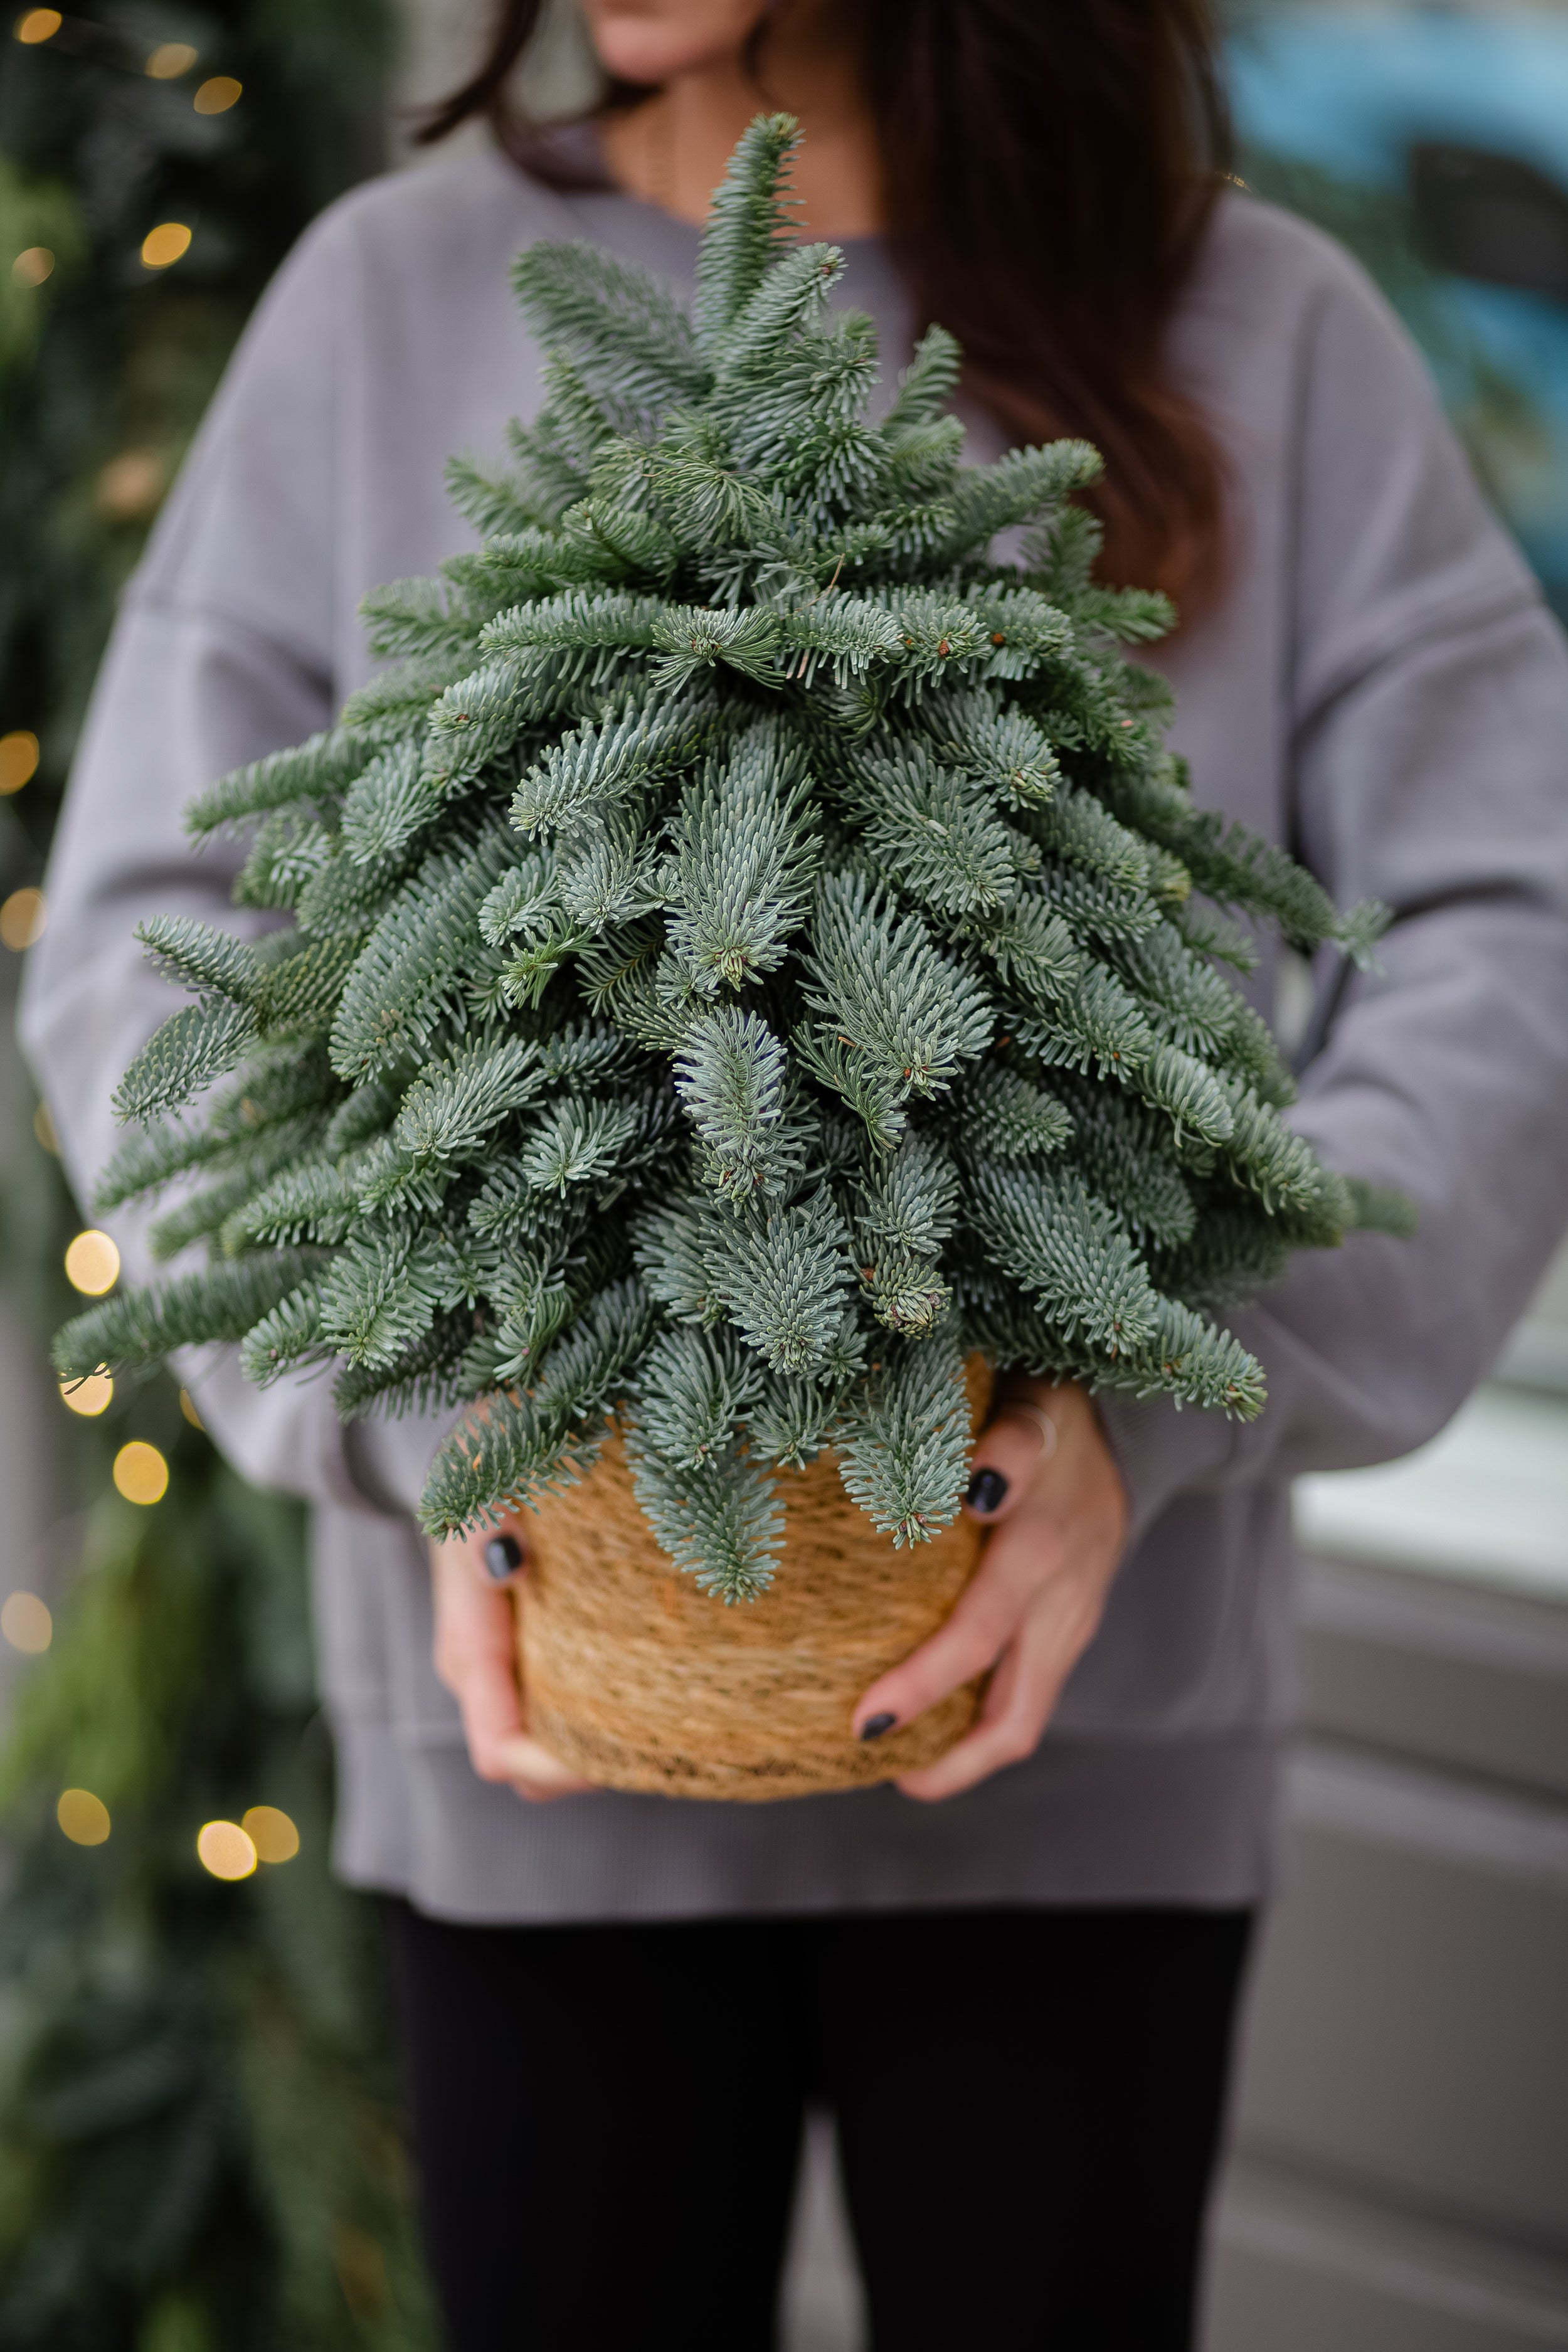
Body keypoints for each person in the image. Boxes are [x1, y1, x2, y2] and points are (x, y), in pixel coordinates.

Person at [21, 1, 1568, 2344]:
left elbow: (1508, 930)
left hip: (1089, 1773)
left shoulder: (1261, 324)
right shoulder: (384, 299)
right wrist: (436, 1421)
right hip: (534, 1755)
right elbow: (150, 941)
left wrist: (1157, 1394)